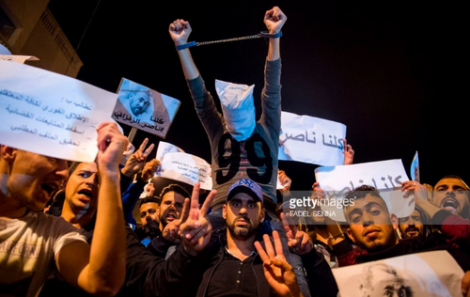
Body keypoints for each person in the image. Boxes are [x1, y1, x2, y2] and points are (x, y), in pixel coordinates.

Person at [0, 122, 128, 297]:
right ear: (10, 150)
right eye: (53, 158)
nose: (63, 172)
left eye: (67, 163)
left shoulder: (54, 233)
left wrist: (110, 172)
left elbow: (103, 282)